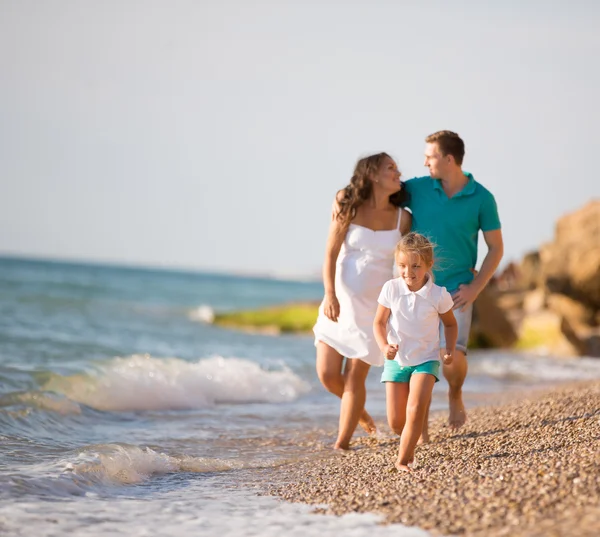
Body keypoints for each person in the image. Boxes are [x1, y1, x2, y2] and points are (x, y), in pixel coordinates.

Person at [403, 131, 503, 437]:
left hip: (458, 289)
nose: (424, 162)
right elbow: (382, 195)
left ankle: (455, 392)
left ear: (449, 159)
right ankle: (419, 429)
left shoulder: (482, 198)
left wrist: (475, 289)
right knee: (419, 360)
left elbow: (496, 249)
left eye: (430, 156)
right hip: (418, 289)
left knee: (452, 357)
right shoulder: (417, 189)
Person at [313, 152, 412, 450]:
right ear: (372, 174)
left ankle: (341, 443)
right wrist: (329, 294)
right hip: (340, 303)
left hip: (375, 309)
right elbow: (330, 253)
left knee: (354, 376)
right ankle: (362, 417)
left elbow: (408, 258)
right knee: (328, 375)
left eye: (396, 168)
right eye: (390, 168)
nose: (398, 172)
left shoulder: (403, 217)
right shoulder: (349, 203)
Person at [373, 232, 458, 471]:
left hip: (426, 359)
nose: (408, 272)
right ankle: (410, 438)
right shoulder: (391, 288)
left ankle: (403, 460)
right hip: (396, 359)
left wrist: (448, 349)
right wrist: (383, 346)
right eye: (402, 265)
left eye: (415, 266)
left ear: (429, 265)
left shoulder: (438, 294)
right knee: (396, 421)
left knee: (415, 409)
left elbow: (451, 324)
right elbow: (379, 323)